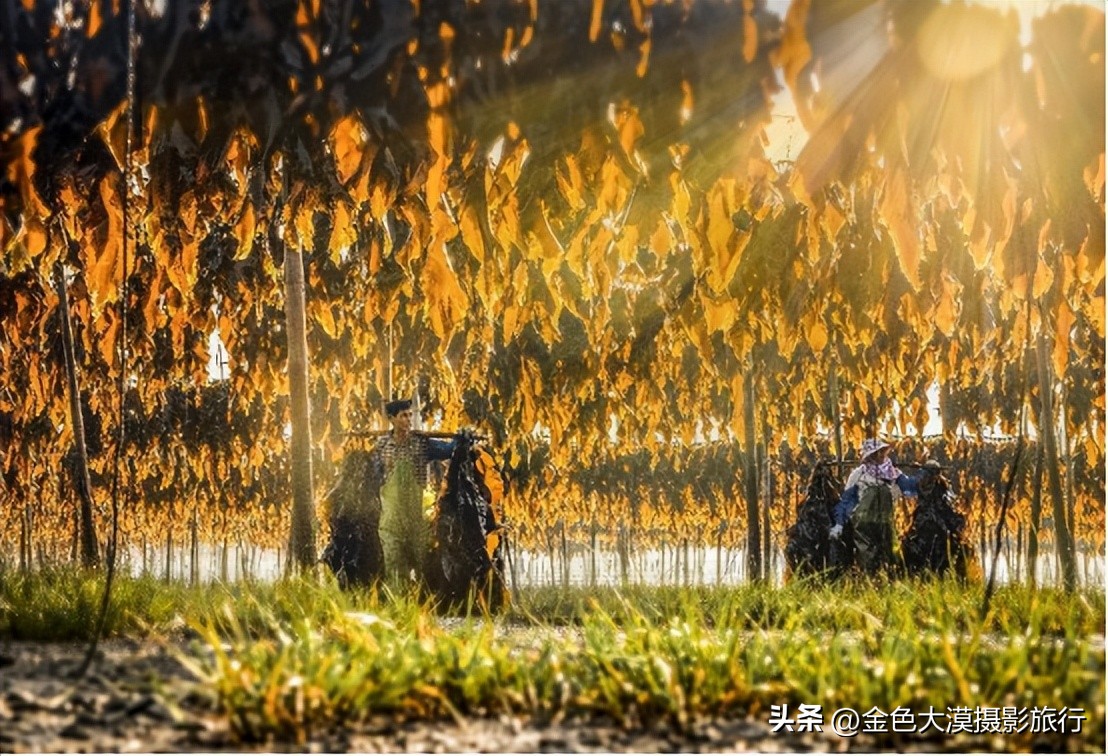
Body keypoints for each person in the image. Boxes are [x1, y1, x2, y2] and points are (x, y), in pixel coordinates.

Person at [369, 398, 457, 583]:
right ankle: (398, 609)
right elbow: (374, 478)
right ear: (392, 419)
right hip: (390, 522)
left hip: (415, 521)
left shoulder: (422, 444)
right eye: (403, 416)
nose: (408, 420)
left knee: (424, 568)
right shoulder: (382, 446)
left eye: (410, 416)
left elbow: (449, 449)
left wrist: (461, 440)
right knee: (395, 569)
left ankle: (424, 608)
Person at [830, 438, 919, 574]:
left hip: (885, 523)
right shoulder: (859, 474)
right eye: (876, 452)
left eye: (882, 451)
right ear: (870, 455)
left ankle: (885, 585)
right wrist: (839, 524)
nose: (880, 455)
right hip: (863, 525)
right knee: (867, 556)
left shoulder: (894, 473)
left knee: (887, 555)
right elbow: (846, 500)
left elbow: (911, 487)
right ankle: (868, 584)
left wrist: (926, 474)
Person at [900, 460, 971, 579]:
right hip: (932, 522)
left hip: (927, 521)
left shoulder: (928, 484)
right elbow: (947, 504)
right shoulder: (939, 485)